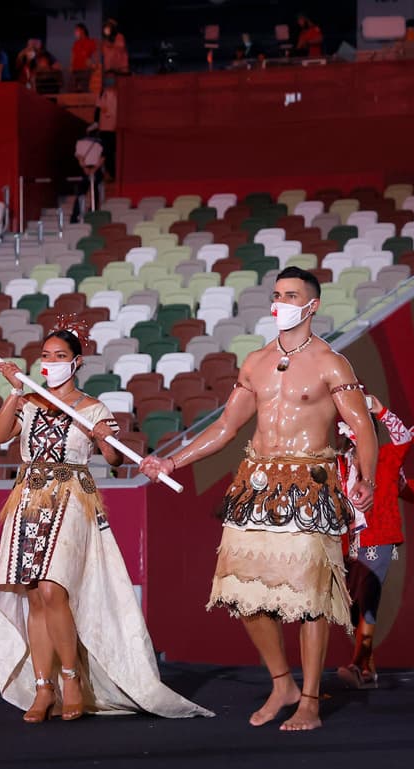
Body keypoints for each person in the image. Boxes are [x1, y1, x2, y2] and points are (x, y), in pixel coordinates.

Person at [140, 268, 377, 732]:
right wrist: (172, 461)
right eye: (276, 295)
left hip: (310, 482)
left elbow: (364, 428)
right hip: (257, 484)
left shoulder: (333, 363)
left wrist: (367, 477)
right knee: (243, 593)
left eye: (291, 295)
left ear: (312, 305)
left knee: (310, 598)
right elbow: (226, 428)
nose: (281, 302)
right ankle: (281, 682)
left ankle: (309, 699)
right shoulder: (256, 362)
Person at [0, 319, 211, 722]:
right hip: (28, 499)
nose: (51, 363)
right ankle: (43, 688)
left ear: (76, 363)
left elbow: (111, 458)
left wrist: (97, 434)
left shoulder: (93, 407)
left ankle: (71, 679)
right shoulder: (29, 401)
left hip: (72, 496)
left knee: (54, 588)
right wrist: (15, 391)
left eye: (60, 357)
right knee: (33, 592)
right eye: (45, 356)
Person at [336, 394, 414, 690]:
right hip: (346, 542)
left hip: (380, 538)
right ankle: (368, 667)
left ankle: (358, 663)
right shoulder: (338, 463)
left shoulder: (387, 457)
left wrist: (381, 410)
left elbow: (402, 439)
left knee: (369, 600)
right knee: (350, 606)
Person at [70, 23, 96, 91]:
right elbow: (73, 56)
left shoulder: (90, 42)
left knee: (84, 89)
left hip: (85, 71)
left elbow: (95, 56)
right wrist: (71, 66)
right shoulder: (76, 43)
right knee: (74, 89)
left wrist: (93, 64)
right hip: (75, 71)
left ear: (82, 31)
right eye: (75, 31)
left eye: (77, 30)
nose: (75, 33)